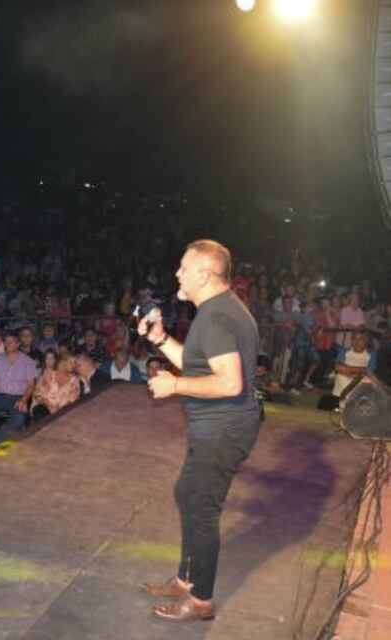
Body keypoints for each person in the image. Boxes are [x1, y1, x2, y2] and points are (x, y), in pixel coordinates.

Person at [139, 239, 260, 623]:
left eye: (184, 268)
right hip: (218, 426)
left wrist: (174, 385)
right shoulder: (218, 309)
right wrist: (160, 339)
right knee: (187, 494)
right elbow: (197, 363)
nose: (177, 274)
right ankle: (186, 578)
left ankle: (201, 600)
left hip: (223, 429)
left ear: (206, 276)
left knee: (201, 507)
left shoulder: (217, 318)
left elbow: (229, 383)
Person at [0, 332, 38, 447]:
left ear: (18, 344)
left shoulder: (27, 361)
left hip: (17, 397)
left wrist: (24, 400)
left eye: (11, 341)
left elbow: (31, 385)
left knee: (20, 415)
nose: (8, 344)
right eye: (6, 341)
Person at [31, 351, 81, 418]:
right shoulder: (49, 375)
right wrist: (49, 406)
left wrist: (58, 409)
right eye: (71, 362)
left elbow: (73, 399)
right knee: (39, 410)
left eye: (74, 363)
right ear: (62, 362)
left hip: (64, 412)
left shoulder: (74, 380)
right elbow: (38, 394)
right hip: (45, 409)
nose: (73, 365)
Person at [331, 330, 377, 398]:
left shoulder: (371, 353)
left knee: (369, 381)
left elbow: (370, 372)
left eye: (360, 339)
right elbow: (338, 368)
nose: (357, 342)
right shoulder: (344, 351)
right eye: (354, 339)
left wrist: (349, 370)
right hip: (345, 377)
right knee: (340, 377)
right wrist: (361, 370)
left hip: (361, 380)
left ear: (366, 341)